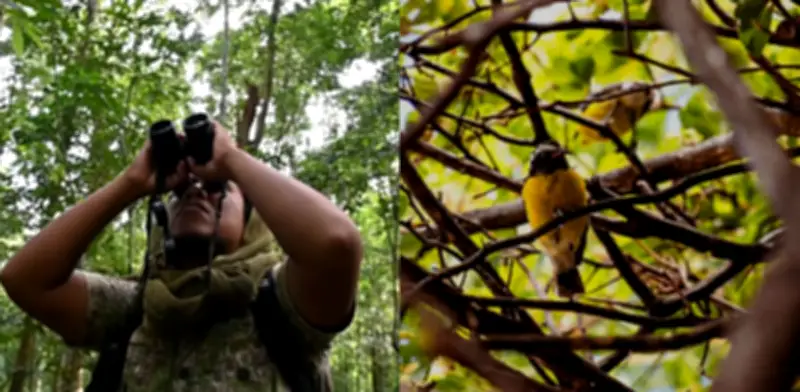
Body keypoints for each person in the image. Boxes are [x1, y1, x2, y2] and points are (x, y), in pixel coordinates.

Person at [0, 119, 363, 391]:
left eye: (217, 189)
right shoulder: (137, 305)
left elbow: (337, 243)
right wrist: (131, 184)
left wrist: (232, 160)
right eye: (181, 192)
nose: (195, 194)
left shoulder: (281, 301)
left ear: (252, 222)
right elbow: (25, 280)